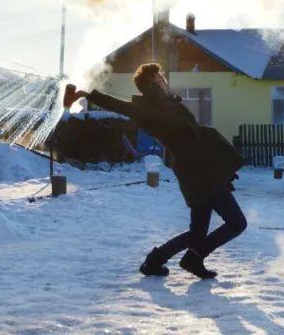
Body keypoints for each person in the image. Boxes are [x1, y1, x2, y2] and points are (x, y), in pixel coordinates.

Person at [70, 63, 246, 279]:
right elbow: (120, 106)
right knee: (236, 223)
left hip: (203, 169)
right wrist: (88, 95)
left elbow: (197, 138)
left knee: (197, 233)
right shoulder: (148, 110)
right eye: (160, 78)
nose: (164, 80)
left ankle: (158, 261)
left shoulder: (169, 105)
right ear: (153, 84)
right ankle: (193, 257)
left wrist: (221, 169)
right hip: (196, 173)